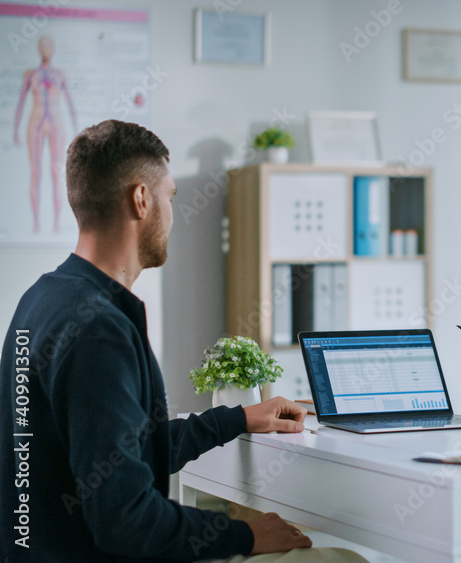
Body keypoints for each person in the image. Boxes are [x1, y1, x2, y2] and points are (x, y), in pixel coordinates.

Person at [0, 120, 364, 562]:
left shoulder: (42, 299)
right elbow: (128, 522)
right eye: (170, 197)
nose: (172, 213)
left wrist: (238, 419)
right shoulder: (98, 331)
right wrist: (245, 536)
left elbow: (120, 453)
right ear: (141, 199)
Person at [13, 36, 77, 233]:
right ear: (38, 48)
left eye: (48, 45)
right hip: (36, 121)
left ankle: (56, 223)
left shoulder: (61, 74)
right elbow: (21, 102)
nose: (45, 49)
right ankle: (36, 223)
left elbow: (70, 102)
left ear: (53, 49)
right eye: (42, 46)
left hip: (56, 122)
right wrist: (15, 129)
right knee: (36, 172)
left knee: (56, 173)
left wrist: (77, 130)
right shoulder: (30, 74)